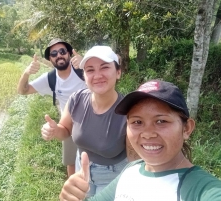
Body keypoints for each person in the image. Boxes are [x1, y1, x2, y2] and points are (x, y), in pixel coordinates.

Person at [59, 80, 221, 201]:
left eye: (161, 121)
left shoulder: (203, 190)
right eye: (137, 122)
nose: (147, 134)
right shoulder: (131, 170)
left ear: (186, 128)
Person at [41, 46, 139, 197]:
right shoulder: (76, 99)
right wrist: (54, 130)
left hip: (112, 178)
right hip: (82, 169)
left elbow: (134, 161)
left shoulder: (129, 111)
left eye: (104, 67)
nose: (97, 75)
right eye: (90, 70)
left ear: (118, 72)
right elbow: (65, 130)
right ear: (84, 76)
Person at [17, 38, 86, 177]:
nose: (59, 55)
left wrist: (86, 63)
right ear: (50, 58)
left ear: (69, 54)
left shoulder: (82, 71)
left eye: (62, 51)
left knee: (95, 162)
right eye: (54, 54)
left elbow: (105, 77)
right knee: (71, 161)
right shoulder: (50, 79)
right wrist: (26, 73)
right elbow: (22, 91)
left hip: (92, 123)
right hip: (68, 126)